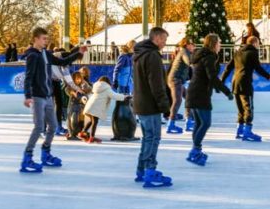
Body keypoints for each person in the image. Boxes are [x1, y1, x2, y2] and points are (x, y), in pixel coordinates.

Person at [20, 27, 83, 173]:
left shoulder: (46, 54)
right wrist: (28, 96)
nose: (46, 41)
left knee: (53, 126)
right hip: (37, 96)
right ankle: (27, 157)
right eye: (43, 38)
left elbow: (62, 62)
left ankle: (45, 153)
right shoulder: (32, 56)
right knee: (38, 127)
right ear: (35, 39)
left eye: (47, 39)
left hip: (48, 95)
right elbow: (28, 77)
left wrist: (78, 53)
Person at [132, 26, 173, 188]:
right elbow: (157, 85)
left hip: (141, 103)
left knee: (147, 138)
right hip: (150, 105)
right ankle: (150, 170)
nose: (165, 43)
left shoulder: (140, 54)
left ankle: (141, 170)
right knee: (153, 137)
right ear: (156, 39)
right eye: (164, 39)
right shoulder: (153, 56)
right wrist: (165, 107)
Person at [184, 33, 232, 166]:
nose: (220, 45)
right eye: (219, 43)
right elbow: (212, 77)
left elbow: (206, 76)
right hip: (200, 94)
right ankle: (195, 151)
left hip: (193, 92)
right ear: (214, 44)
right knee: (205, 123)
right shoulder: (209, 57)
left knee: (199, 123)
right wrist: (226, 91)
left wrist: (215, 88)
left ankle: (196, 151)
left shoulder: (201, 56)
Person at [220, 35, 270, 141]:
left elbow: (228, 68)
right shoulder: (253, 52)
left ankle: (239, 130)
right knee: (248, 108)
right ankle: (247, 131)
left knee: (240, 108)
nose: (258, 45)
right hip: (245, 83)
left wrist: (222, 80)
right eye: (258, 43)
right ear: (254, 43)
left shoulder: (238, 52)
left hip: (235, 82)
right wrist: (268, 76)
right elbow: (257, 68)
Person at [79, 76, 127, 144]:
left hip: (89, 106)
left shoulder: (96, 87)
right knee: (94, 122)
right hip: (95, 108)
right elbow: (114, 95)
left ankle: (82, 133)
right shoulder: (106, 88)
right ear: (107, 82)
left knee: (91, 121)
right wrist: (124, 97)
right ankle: (92, 137)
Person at [167, 37, 194, 134]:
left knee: (189, 98)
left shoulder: (185, 52)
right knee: (177, 100)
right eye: (192, 44)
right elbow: (189, 62)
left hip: (178, 80)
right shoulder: (184, 52)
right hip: (175, 80)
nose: (194, 47)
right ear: (187, 45)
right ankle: (171, 124)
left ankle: (189, 121)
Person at [65, 71, 89, 141]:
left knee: (81, 120)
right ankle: (71, 133)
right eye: (77, 79)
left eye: (80, 79)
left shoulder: (83, 85)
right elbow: (67, 89)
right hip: (72, 105)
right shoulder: (72, 86)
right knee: (70, 119)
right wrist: (72, 92)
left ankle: (80, 132)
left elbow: (89, 89)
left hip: (81, 107)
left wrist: (85, 88)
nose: (79, 80)